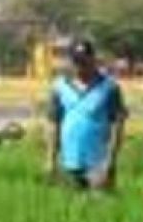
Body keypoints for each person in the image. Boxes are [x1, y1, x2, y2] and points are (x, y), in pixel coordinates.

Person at [47, 39, 127, 191]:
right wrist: (50, 159)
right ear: (70, 62)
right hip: (68, 162)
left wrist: (110, 162)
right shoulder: (59, 86)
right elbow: (54, 123)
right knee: (68, 211)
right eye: (76, 62)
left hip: (98, 163)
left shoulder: (110, 87)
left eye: (84, 62)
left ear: (93, 60)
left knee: (100, 209)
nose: (80, 67)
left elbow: (118, 126)